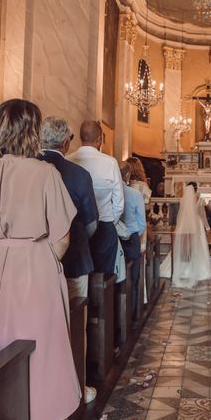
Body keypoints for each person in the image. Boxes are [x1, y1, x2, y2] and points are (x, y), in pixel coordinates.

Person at [0, 99, 80, 420]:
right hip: (35, 266)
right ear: (32, 131)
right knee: (39, 349)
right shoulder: (45, 173)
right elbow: (61, 238)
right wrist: (38, 257)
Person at [38, 117, 99, 403]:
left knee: (40, 324)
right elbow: (90, 223)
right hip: (74, 259)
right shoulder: (78, 174)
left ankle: (41, 389)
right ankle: (76, 387)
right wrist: (78, 241)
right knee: (76, 323)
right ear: (66, 142)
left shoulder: (30, 170)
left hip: (35, 263)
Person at [68, 120, 124, 274]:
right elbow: (119, 202)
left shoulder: (68, 160)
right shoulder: (110, 163)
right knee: (104, 276)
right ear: (99, 139)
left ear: (80, 137)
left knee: (77, 276)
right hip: (104, 226)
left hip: (75, 227)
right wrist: (110, 222)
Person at [161, 184, 211, 288]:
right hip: (197, 225)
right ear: (196, 189)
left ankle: (182, 268)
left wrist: (179, 226)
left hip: (185, 225)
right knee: (198, 246)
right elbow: (202, 215)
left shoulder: (182, 200)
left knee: (184, 245)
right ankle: (197, 270)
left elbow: (180, 215)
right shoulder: (200, 200)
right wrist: (207, 228)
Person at [118, 161, 146, 325]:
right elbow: (141, 222)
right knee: (133, 277)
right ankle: (133, 316)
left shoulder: (109, 192)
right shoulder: (135, 194)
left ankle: (117, 318)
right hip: (132, 239)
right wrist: (134, 235)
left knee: (116, 277)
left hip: (113, 238)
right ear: (128, 175)